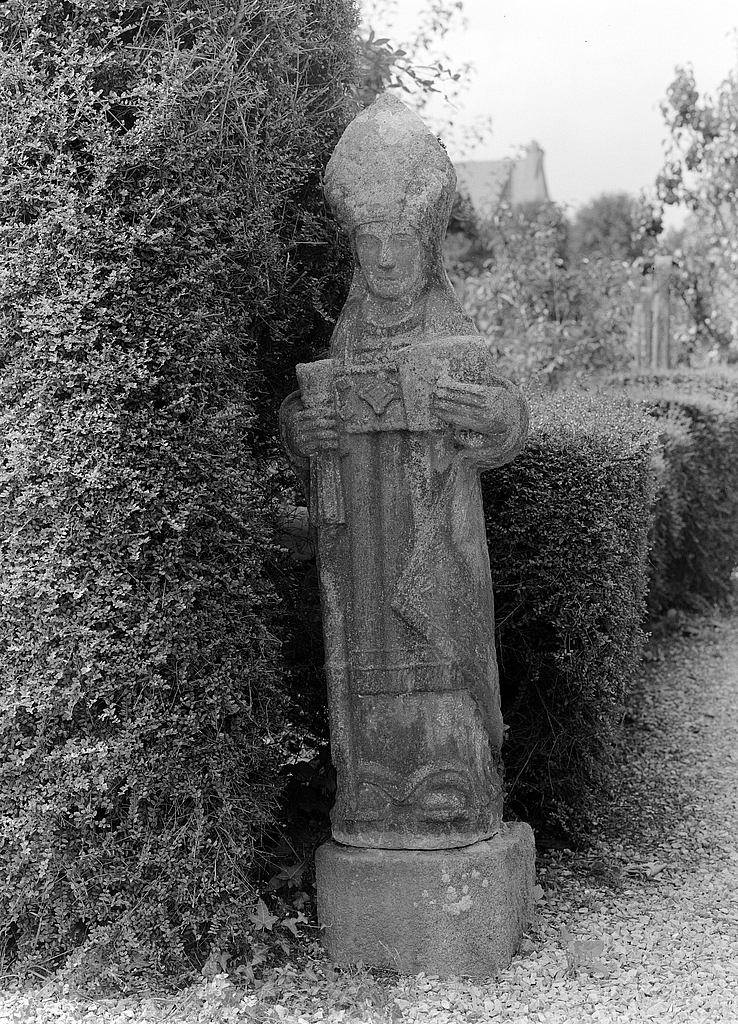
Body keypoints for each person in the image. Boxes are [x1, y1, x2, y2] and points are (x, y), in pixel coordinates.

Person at [280, 93, 528, 850]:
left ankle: (453, 782)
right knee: (365, 676)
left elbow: (510, 414)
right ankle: (374, 789)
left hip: (435, 541)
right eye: (369, 241)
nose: (385, 257)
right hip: (360, 552)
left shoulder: (449, 327)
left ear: (427, 240)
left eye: (400, 239)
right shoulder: (348, 331)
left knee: (442, 674)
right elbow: (305, 417)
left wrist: (487, 418)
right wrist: (303, 426)